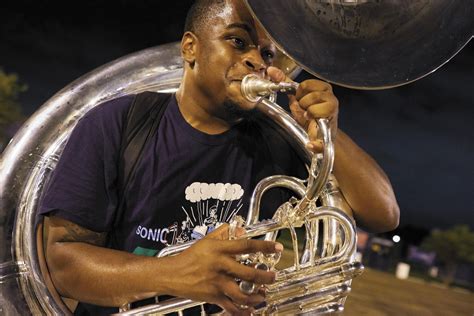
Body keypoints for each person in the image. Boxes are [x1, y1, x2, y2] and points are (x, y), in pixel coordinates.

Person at [40, 0, 400, 314]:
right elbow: (63, 264)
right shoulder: (116, 123)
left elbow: (383, 213)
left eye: (268, 54)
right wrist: (179, 273)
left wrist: (327, 132)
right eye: (238, 41)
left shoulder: (278, 140)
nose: (255, 60)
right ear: (190, 47)